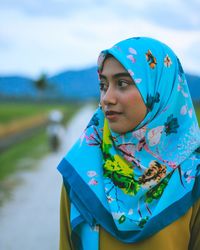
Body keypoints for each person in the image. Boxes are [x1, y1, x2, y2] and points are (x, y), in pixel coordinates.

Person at [57, 37, 200, 250]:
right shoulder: (83, 170)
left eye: (122, 83)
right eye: (103, 85)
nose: (107, 98)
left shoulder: (192, 177)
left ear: (160, 91)